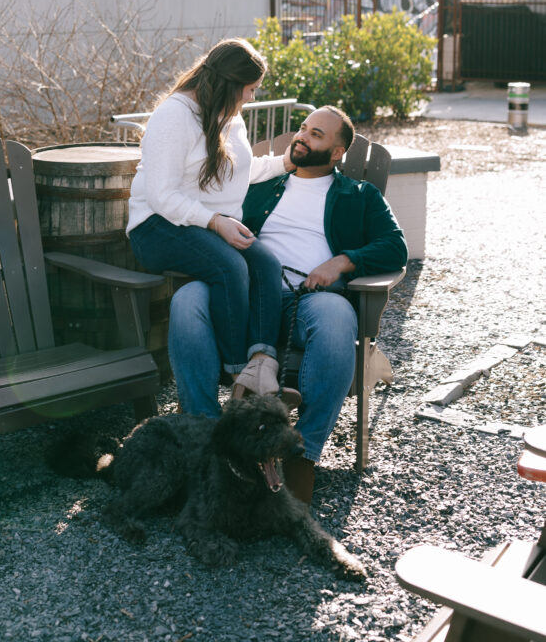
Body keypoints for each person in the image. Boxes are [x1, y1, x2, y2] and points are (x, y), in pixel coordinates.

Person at [167, 104, 408, 504]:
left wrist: (342, 262)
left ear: (336, 153)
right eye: (302, 128)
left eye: (316, 134)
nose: (301, 136)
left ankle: (302, 453)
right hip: (244, 294)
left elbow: (394, 246)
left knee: (336, 317)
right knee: (187, 299)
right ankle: (205, 437)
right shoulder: (260, 184)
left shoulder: (358, 195)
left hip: (310, 299)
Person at [127, 37, 297, 396]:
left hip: (203, 222)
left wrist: (284, 163)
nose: (252, 98)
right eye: (250, 89)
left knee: (266, 264)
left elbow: (236, 171)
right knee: (230, 267)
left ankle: (261, 364)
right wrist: (216, 222)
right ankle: (237, 375)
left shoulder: (229, 116)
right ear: (231, 84)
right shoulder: (174, 116)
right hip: (156, 226)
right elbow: (161, 196)